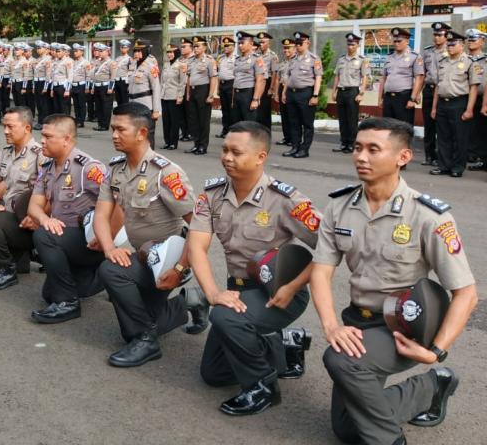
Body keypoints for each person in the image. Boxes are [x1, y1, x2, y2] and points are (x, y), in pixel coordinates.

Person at [311, 117, 477, 445]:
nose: (361, 157)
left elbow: (466, 293)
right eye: (357, 148)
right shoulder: (339, 207)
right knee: (347, 428)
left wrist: (437, 351)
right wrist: (331, 326)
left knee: (340, 359)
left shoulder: (428, 216)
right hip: (357, 321)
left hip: (403, 327)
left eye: (374, 149)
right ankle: (433, 387)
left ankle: (388, 439)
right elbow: (321, 270)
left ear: (403, 157)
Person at [186, 121, 320, 416]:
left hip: (279, 292)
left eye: (236, 152)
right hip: (238, 291)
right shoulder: (212, 194)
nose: (227, 157)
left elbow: (331, 249)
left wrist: (294, 285)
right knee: (213, 374)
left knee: (224, 317)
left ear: (261, 157)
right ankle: (285, 344)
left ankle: (262, 386)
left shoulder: (284, 200)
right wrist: (213, 293)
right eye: (224, 150)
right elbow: (196, 247)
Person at [95, 103, 209, 367]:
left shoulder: (166, 173)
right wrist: (109, 247)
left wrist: (179, 268)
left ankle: (146, 341)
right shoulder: (115, 169)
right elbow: (101, 214)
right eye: (112, 129)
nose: (114, 135)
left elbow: (200, 227)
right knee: (137, 318)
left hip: (169, 259)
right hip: (143, 255)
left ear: (142, 133)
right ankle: (189, 302)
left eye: (120, 129)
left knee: (112, 272)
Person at [28, 115, 108, 324]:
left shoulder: (88, 168)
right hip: (67, 241)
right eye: (42, 135)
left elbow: (119, 204)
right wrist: (45, 218)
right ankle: (102, 277)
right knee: (48, 294)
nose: (42, 141)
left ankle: (68, 303)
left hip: (92, 242)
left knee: (44, 236)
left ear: (66, 139)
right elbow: (33, 206)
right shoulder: (47, 168)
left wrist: (108, 242)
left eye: (48, 136)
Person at [0, 106, 47, 290]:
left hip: (28, 224)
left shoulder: (40, 155)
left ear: (27, 128)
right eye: (4, 126)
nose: (5, 131)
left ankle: (6, 270)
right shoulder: (7, 152)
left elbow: (50, 193)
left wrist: (38, 217)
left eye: (10, 126)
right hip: (9, 220)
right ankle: (22, 258)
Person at [430, 30, 482, 178]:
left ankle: (458, 167)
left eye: (453, 44)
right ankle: (444, 165)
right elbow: (438, 86)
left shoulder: (470, 62)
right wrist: (434, 107)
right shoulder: (443, 62)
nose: (450, 47)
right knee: (443, 137)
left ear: (462, 45)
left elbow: (473, 87)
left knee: (460, 137)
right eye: (449, 44)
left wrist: (469, 109)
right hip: (442, 103)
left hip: (459, 103)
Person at [282, 31, 322, 159]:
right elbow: (289, 76)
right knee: (293, 122)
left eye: (300, 43)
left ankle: (304, 149)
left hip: (305, 94)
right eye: (297, 43)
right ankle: (295, 147)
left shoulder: (314, 59)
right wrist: (284, 92)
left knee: (307, 123)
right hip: (291, 93)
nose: (298, 46)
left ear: (308, 43)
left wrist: (315, 95)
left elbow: (318, 77)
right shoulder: (293, 59)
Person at [330, 33, 370, 154]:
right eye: (348, 44)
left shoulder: (362, 60)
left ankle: (352, 144)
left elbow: (365, 77)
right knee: (342, 119)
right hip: (341, 91)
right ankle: (343, 143)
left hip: (353, 92)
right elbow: (337, 76)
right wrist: (334, 91)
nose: (350, 47)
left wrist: (361, 93)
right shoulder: (341, 59)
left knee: (352, 120)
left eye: (353, 44)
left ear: (358, 45)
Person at [379, 27, 425, 126]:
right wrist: (380, 98)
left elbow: (419, 78)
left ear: (407, 41)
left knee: (404, 128)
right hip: (388, 97)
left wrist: (412, 99)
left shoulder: (414, 56)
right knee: (388, 127)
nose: (396, 43)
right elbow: (384, 78)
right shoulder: (389, 56)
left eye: (399, 41)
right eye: (394, 41)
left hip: (404, 97)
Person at [419, 22, 450, 167]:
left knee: (442, 126)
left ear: (446, 36)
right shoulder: (427, 51)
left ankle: (441, 156)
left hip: (443, 90)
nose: (436, 37)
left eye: (440, 35)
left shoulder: (450, 50)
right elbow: (422, 73)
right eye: (435, 34)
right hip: (429, 90)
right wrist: (417, 93)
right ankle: (429, 155)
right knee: (429, 124)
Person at [185, 36, 218, 155]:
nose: (195, 48)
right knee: (193, 120)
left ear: (204, 47)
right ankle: (196, 144)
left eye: (198, 46)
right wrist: (188, 93)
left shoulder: (209, 60)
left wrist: (211, 95)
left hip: (203, 90)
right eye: (194, 46)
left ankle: (203, 146)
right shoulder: (191, 60)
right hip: (193, 90)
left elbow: (213, 77)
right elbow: (189, 78)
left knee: (203, 120)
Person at [127, 40, 162, 148]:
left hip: (145, 104)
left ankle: (150, 155)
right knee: (135, 132)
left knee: (147, 133)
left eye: (139, 51)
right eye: (135, 51)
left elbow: (156, 88)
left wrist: (156, 110)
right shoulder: (133, 65)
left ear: (146, 51)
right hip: (133, 104)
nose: (136, 53)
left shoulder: (151, 66)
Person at [230, 31, 268, 126]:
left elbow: (260, 80)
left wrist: (255, 99)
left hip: (248, 94)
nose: (240, 46)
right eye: (239, 43)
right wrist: (233, 99)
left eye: (242, 43)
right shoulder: (237, 59)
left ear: (251, 43)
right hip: (237, 94)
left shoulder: (257, 59)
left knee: (249, 123)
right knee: (237, 123)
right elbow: (236, 79)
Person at [160, 43, 188, 150]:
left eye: (171, 52)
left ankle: (173, 143)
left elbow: (183, 82)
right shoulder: (166, 64)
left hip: (174, 96)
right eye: (168, 52)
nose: (169, 54)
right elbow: (162, 81)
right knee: (166, 120)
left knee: (174, 121)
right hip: (164, 96)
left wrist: (180, 96)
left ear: (176, 53)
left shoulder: (181, 64)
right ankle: (167, 141)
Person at [469, 29, 487, 170]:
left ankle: (481, 157)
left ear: (482, 42)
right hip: (465, 97)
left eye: (474, 40)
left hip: (481, 98)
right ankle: (469, 154)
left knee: (481, 129)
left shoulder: (485, 60)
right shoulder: (463, 58)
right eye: (469, 40)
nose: (470, 42)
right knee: (467, 129)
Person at [256, 32, 278, 130]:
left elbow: (274, 73)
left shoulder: (273, 55)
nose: (261, 44)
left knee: (265, 108)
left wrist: (271, 88)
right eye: (260, 42)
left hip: (267, 82)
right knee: (257, 107)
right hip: (258, 82)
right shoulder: (256, 54)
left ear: (268, 43)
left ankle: (266, 131)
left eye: (263, 42)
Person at [276, 38, 296, 146]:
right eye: (284, 48)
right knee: (284, 114)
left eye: (288, 48)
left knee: (292, 115)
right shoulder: (282, 62)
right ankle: (286, 137)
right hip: (282, 87)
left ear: (294, 48)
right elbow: (278, 78)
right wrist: (276, 92)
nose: (286, 50)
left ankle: (294, 138)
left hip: (291, 89)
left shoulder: (297, 61)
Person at [92, 43, 118, 131]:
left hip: (105, 87)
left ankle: (105, 125)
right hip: (97, 86)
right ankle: (100, 124)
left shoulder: (111, 62)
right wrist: (93, 87)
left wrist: (110, 88)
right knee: (98, 106)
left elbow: (113, 76)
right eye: (99, 51)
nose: (99, 53)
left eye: (101, 51)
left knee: (106, 107)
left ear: (107, 52)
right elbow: (95, 75)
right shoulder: (98, 62)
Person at [215, 36, 236, 137]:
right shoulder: (220, 58)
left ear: (233, 47)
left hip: (231, 84)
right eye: (225, 46)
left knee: (231, 109)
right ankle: (225, 130)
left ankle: (232, 131)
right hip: (222, 84)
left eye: (228, 46)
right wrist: (218, 88)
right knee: (224, 109)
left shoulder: (236, 58)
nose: (225, 48)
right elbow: (219, 73)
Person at [71, 44, 91, 127]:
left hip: (81, 85)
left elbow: (88, 76)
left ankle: (81, 121)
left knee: (81, 104)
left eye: (76, 51)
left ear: (82, 52)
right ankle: (77, 119)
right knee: (76, 104)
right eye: (74, 51)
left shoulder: (86, 62)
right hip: (74, 85)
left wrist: (87, 87)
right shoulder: (73, 62)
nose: (75, 53)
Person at [50, 43, 73, 116]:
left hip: (63, 87)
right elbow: (53, 76)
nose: (57, 53)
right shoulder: (55, 61)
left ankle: (66, 122)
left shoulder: (68, 61)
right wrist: (52, 89)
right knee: (56, 107)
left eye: (59, 51)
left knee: (64, 107)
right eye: (56, 51)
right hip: (55, 86)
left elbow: (70, 76)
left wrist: (67, 90)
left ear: (64, 52)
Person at [114, 39, 132, 106]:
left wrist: (129, 83)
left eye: (124, 47)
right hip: (117, 80)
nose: (123, 49)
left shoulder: (130, 59)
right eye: (121, 47)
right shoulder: (117, 58)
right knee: (118, 99)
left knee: (124, 99)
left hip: (124, 81)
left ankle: (125, 112)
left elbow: (130, 71)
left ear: (128, 48)